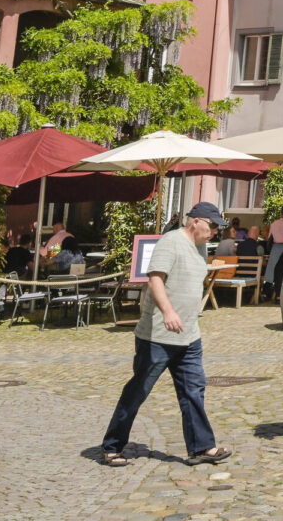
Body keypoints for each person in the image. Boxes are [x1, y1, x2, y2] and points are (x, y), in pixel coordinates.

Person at [99, 200, 232, 468]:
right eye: (212, 226)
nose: (215, 232)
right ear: (195, 221)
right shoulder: (170, 242)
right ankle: (112, 446)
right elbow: (155, 279)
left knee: (193, 391)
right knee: (138, 391)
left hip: (189, 336)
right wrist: (169, 311)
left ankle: (202, 448)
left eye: (218, 228)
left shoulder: (201, 247)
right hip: (157, 337)